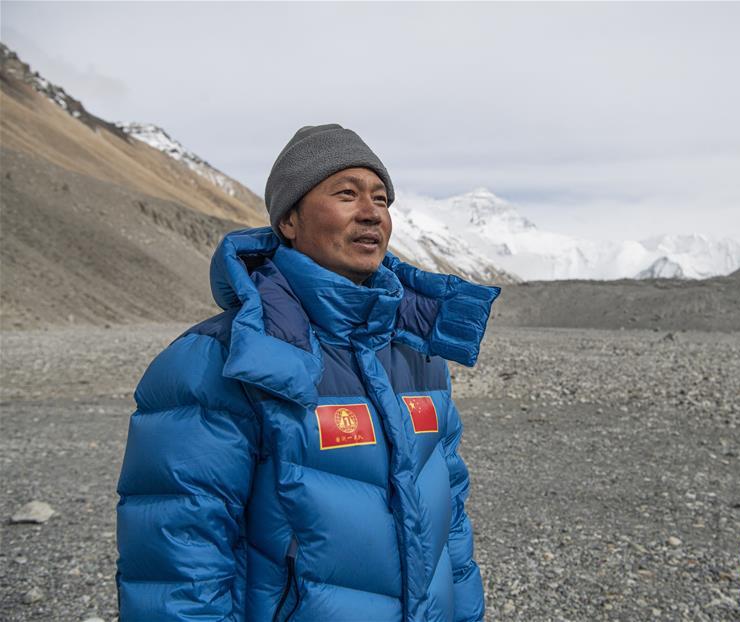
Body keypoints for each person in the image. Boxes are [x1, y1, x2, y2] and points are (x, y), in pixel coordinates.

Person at [115, 124, 501, 622]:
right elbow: (181, 554)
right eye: (346, 194)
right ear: (289, 221)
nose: (371, 212)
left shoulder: (418, 355)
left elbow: (451, 522)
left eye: (381, 199)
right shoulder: (224, 358)